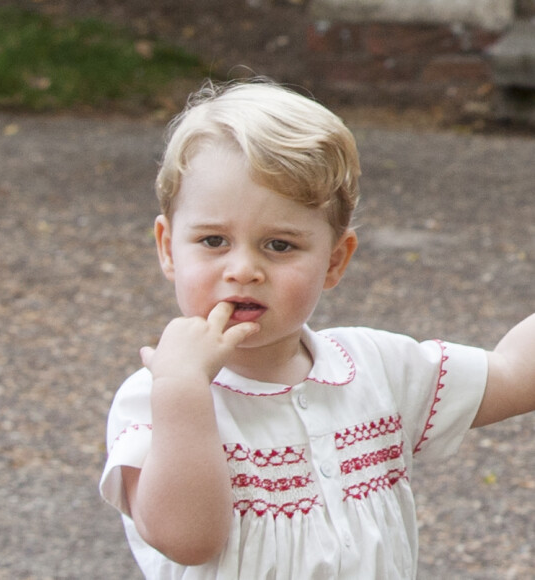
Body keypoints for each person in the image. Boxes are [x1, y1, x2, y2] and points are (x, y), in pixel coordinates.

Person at [99, 78, 535, 579]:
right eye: (214, 240)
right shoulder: (152, 399)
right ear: (167, 246)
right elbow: (188, 540)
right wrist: (181, 390)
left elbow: (514, 374)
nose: (243, 269)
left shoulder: (376, 369)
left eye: (279, 245)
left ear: (334, 260)